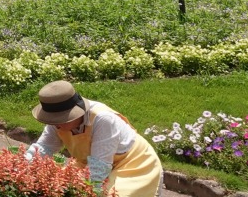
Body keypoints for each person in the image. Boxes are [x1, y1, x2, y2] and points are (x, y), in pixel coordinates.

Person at [24, 80, 163, 197]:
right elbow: (44, 148)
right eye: (51, 119)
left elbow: (98, 170)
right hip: (92, 164)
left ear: (75, 113)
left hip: (133, 164)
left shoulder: (103, 119)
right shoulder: (56, 122)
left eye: (60, 119)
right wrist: (23, 168)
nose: (55, 123)